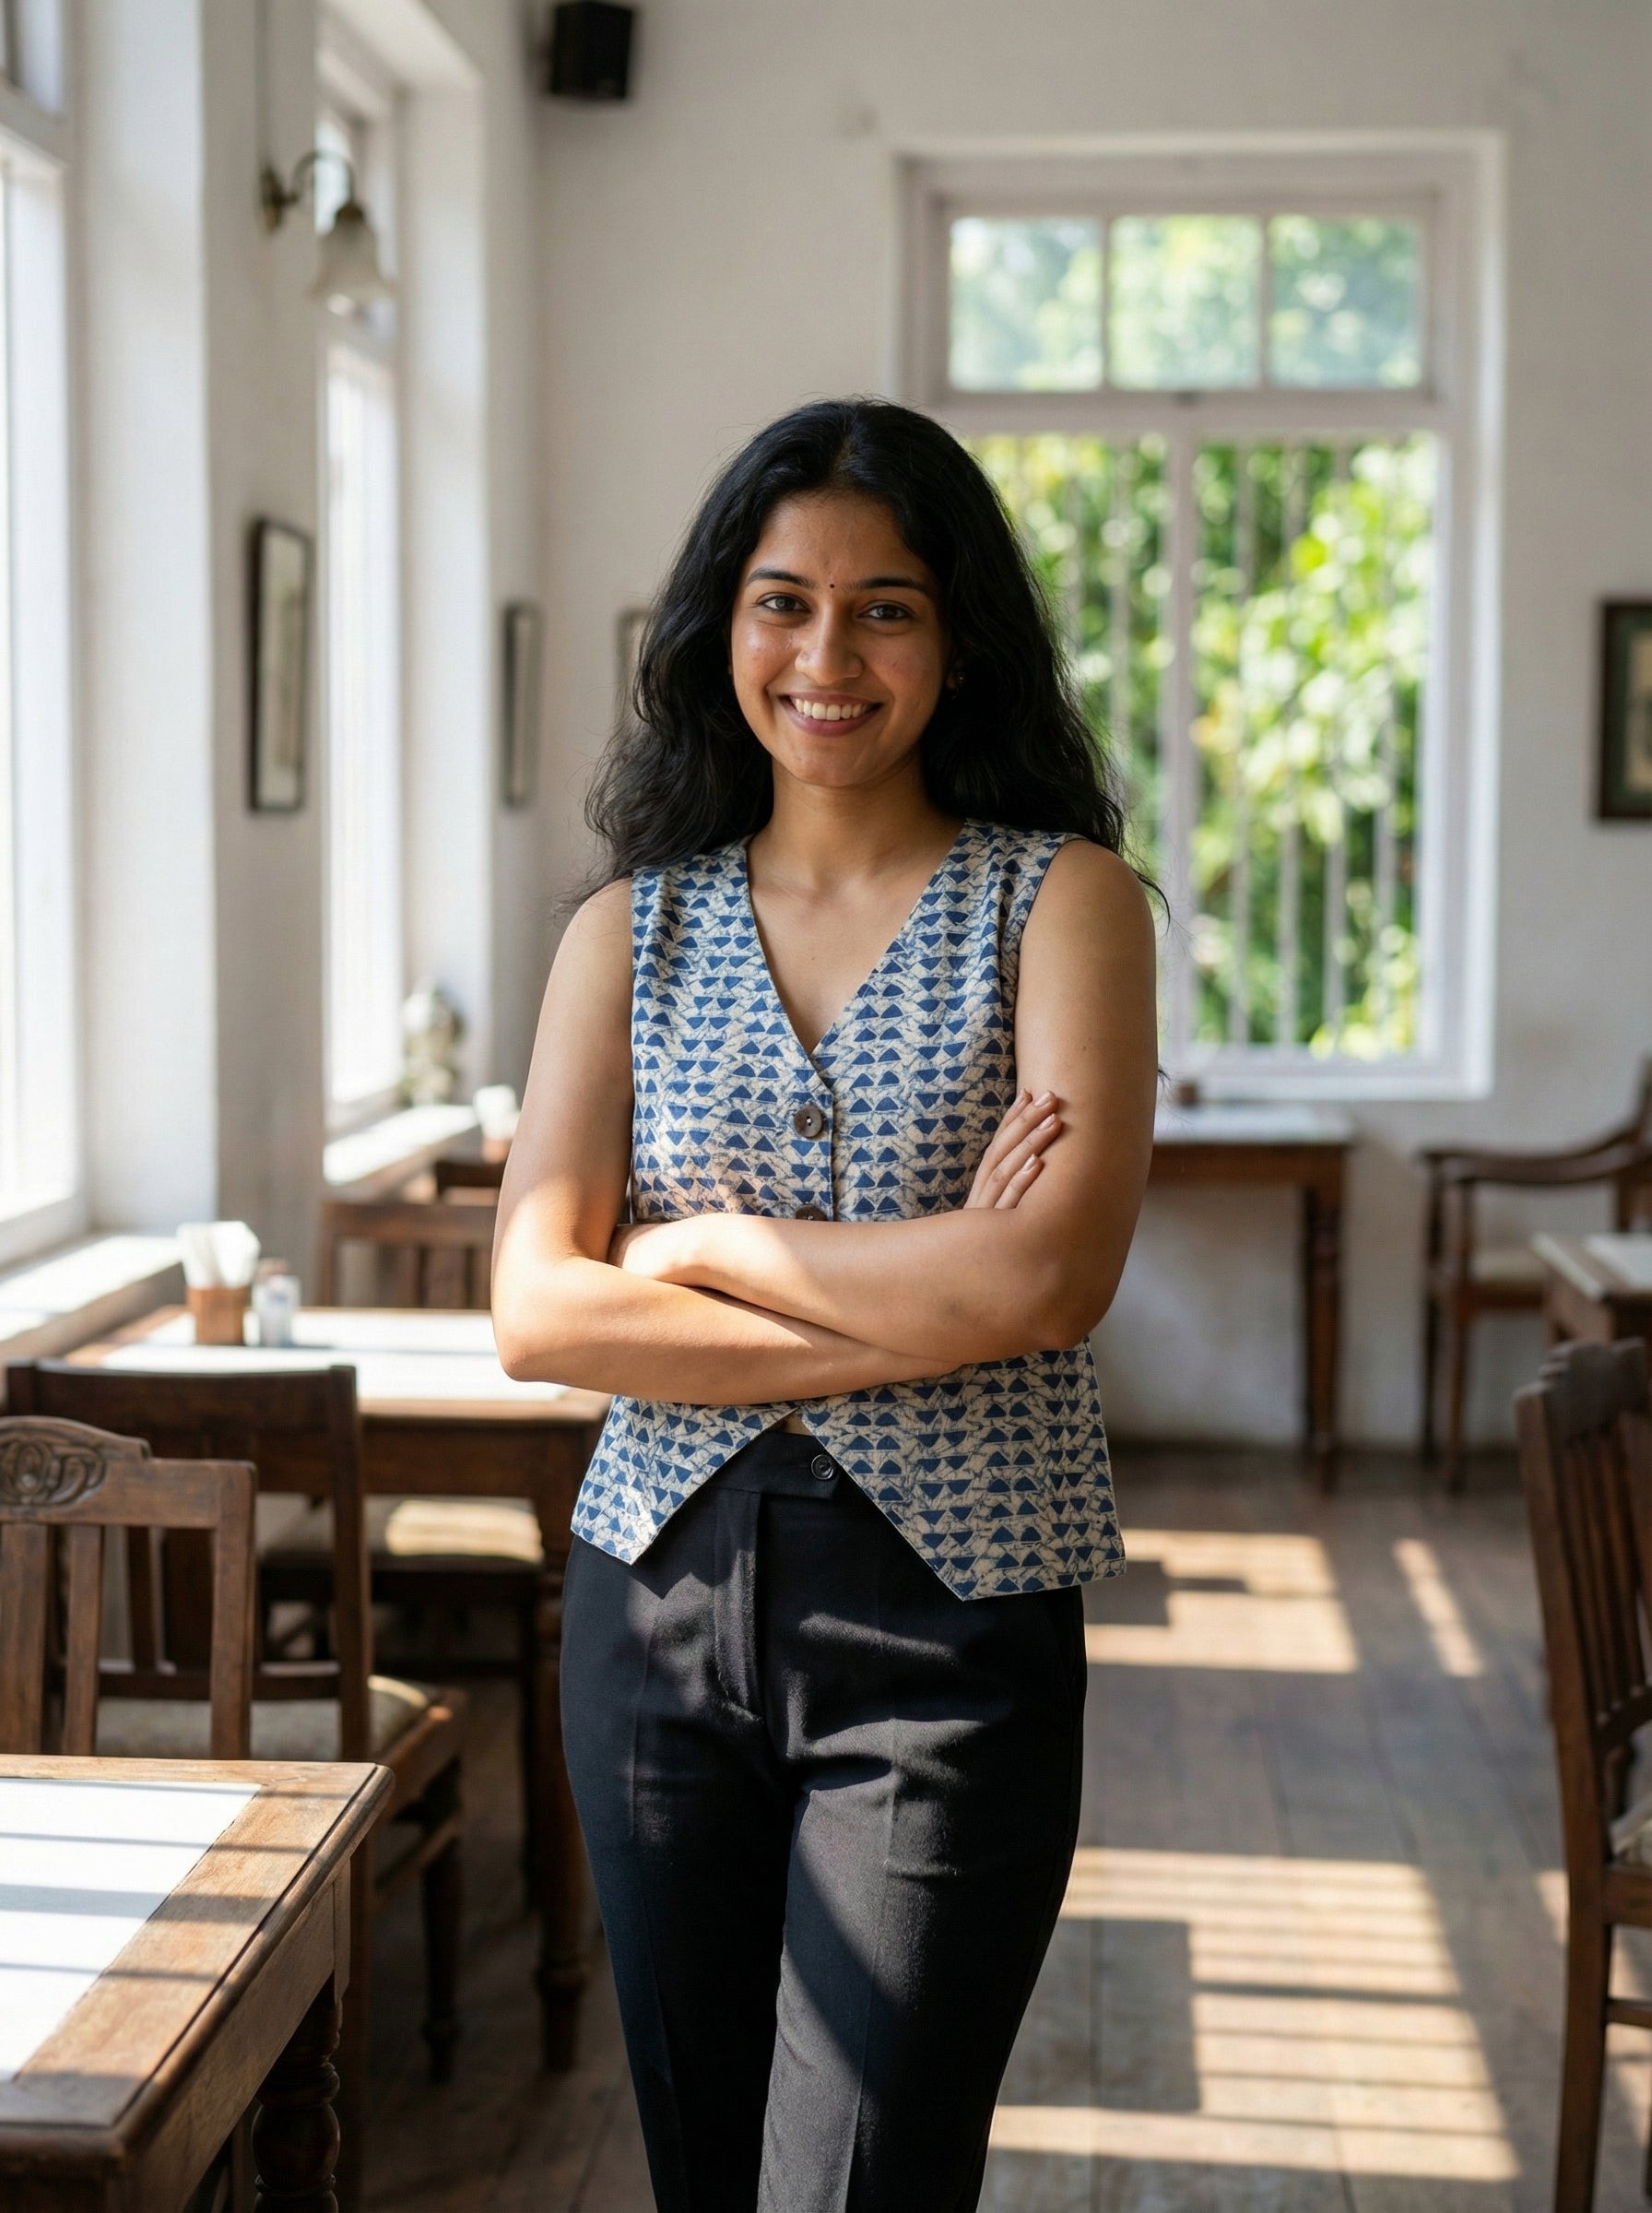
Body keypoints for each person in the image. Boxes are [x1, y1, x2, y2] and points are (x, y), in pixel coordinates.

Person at [492, 396, 1158, 2212]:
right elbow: (539, 1315)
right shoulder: (626, 932)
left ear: (957, 643)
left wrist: (694, 1255)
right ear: (724, 628)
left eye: (886, 606)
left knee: (859, 2180)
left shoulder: (1065, 905)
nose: (826, 654)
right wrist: (943, 1291)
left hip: (949, 1635)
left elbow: (1052, 1274)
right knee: (708, 2173)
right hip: (653, 1616)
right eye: (783, 600)